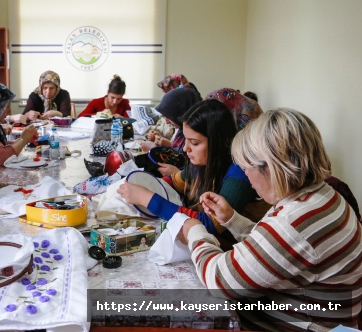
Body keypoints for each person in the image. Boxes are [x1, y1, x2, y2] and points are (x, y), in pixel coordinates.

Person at [178, 108, 362, 331]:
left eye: (247, 167)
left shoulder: (296, 222)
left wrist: (194, 230)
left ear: (272, 167)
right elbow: (277, 248)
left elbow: (218, 280)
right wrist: (232, 220)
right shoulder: (322, 196)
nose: (245, 175)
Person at [118, 99, 264, 244]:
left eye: (194, 143)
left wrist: (146, 198)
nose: (185, 148)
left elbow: (208, 226)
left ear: (218, 142)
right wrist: (147, 185)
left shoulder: (239, 172)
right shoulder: (203, 165)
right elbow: (173, 182)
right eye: (185, 140)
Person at [139, 88, 202, 156]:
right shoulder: (182, 130)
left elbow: (180, 159)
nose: (167, 122)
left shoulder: (194, 133)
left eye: (169, 117)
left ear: (179, 113)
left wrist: (154, 148)